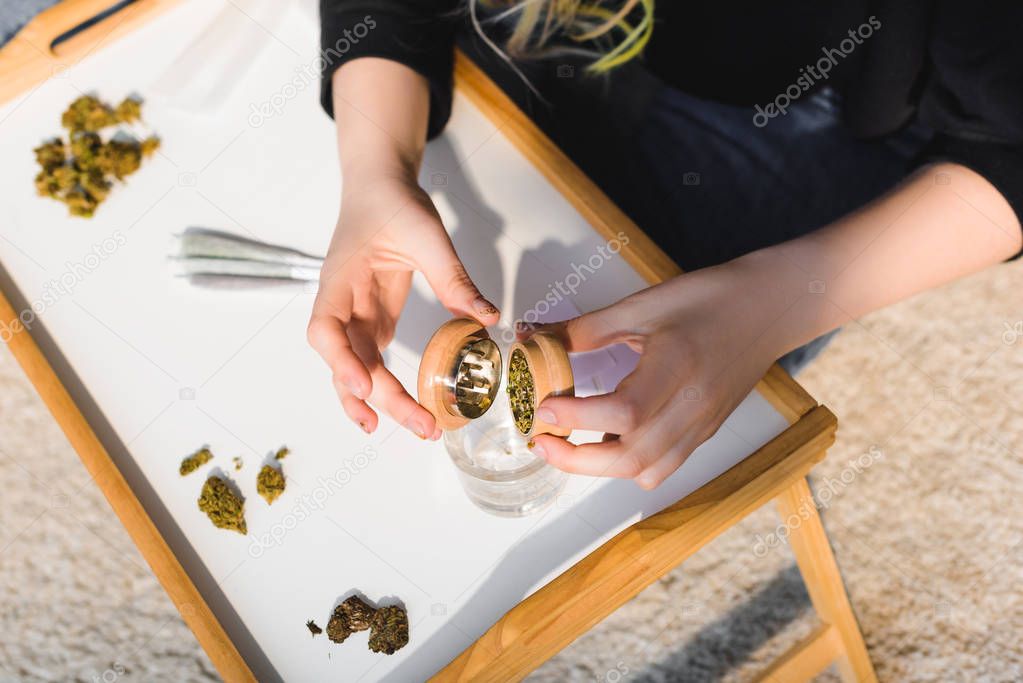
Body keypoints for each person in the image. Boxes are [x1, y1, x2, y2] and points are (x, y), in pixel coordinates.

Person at [308, 1, 1023, 490]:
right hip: (582, 33)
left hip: (839, 77)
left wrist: (774, 302)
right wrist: (373, 166)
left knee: (681, 394)